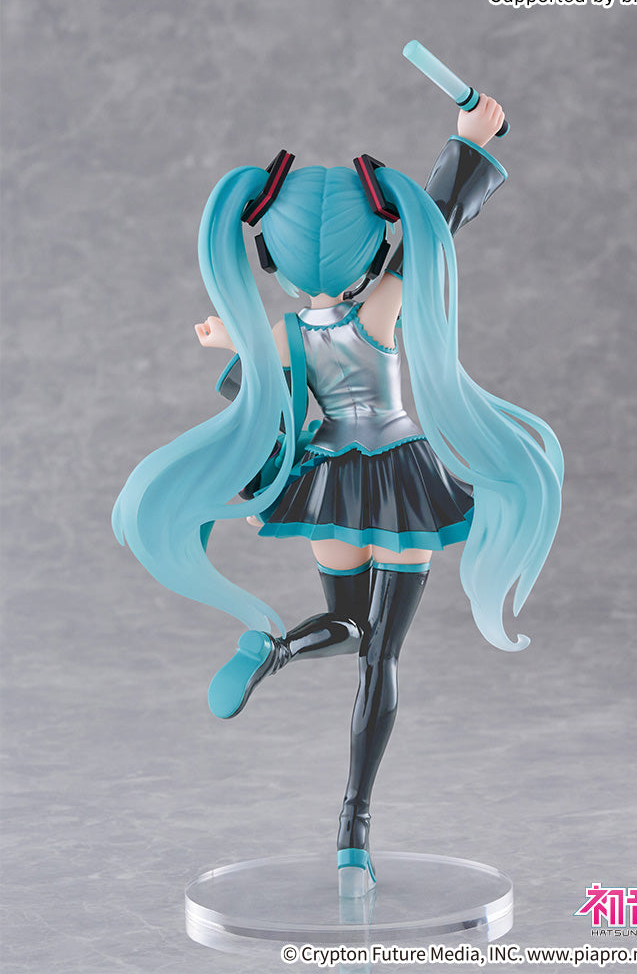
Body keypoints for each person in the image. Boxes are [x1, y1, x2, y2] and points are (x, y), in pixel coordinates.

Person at [113, 95, 563, 897]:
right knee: (380, 656)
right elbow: (435, 230)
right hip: (401, 481)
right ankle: (354, 828)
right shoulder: (380, 309)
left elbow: (259, 392)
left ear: (273, 264)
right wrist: (467, 145)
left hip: (329, 483)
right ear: (370, 252)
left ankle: (279, 649)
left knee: (349, 623)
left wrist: (232, 341)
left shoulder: (284, 336)